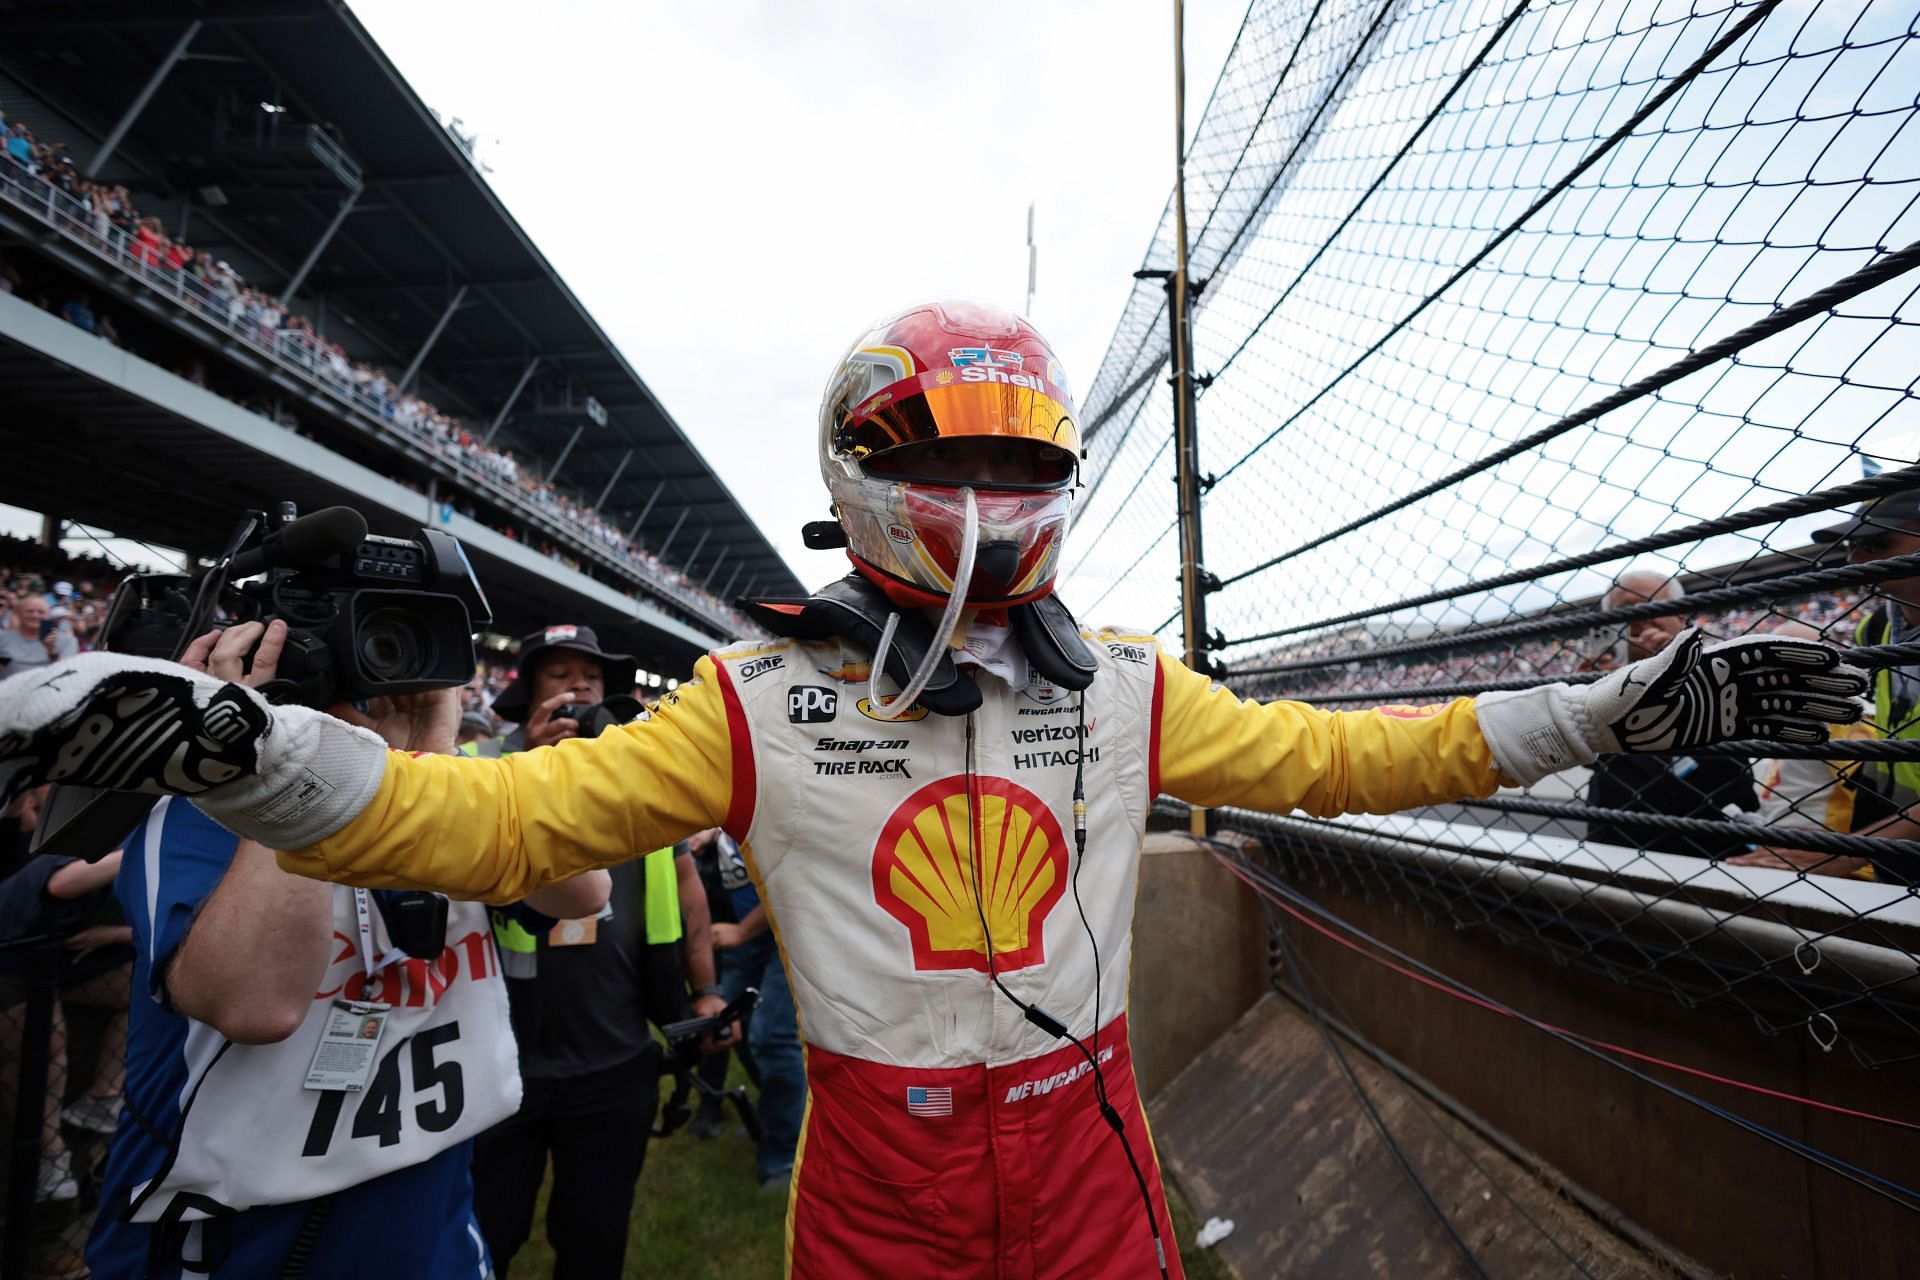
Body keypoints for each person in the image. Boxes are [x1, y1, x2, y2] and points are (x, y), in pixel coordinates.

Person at [0, 301, 1867, 1280]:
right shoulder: (748, 700)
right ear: (864, 468)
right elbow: (496, 826)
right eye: (948, 453)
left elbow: (1371, 756)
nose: (987, 490)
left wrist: (1618, 706)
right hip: (875, 1203)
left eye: (1018, 456)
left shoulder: (1128, 686)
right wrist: (256, 753)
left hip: (1094, 1185)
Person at [84, 620, 610, 1279]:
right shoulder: (199, 808)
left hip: (429, 1230)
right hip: (231, 1248)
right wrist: (281, 763)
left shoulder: (433, 785)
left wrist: (429, 757)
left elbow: (583, 891)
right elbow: (257, 1006)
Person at [468, 624, 727, 1279]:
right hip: (504, 1060)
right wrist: (529, 769)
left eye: (591, 675)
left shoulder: (638, 786)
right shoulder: (485, 768)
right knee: (487, 1232)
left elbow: (687, 895)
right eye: (559, 675)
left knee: (595, 1236)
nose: (579, 685)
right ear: (528, 696)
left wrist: (704, 991)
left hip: (615, 1060)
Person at [1583, 569, 1759, 857]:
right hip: (1615, 835)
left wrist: (1681, 666)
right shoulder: (1601, 680)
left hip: (1712, 838)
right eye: (1625, 609)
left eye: (1651, 602)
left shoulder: (1722, 664)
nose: (1640, 614)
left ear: (1681, 617)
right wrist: (1587, 696)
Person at [684, 827, 804, 1188]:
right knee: (734, 1023)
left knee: (771, 1036)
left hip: (783, 932)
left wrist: (740, 932)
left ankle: (786, 1156)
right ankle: (775, 1120)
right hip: (751, 936)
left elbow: (790, 883)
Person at [0, 593, 75, 681]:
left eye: (41, 612)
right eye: (29, 611)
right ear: (18, 614)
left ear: (48, 616)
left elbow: (64, 673)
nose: (35, 615)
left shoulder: (66, 640)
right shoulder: (3, 638)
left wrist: (51, 650)